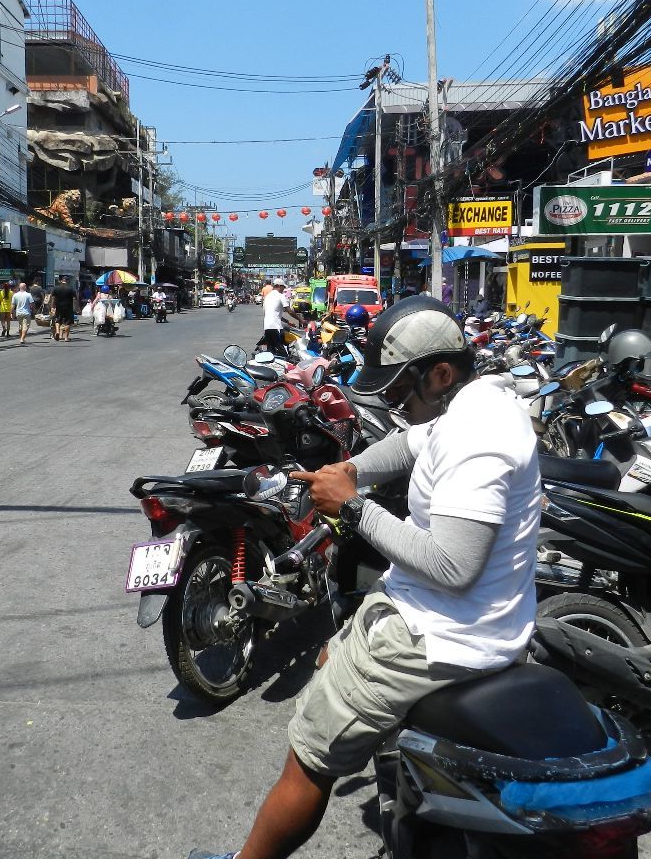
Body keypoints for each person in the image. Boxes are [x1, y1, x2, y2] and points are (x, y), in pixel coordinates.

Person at [189, 296, 542, 859]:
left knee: (306, 757)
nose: (396, 403)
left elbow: (453, 566)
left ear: (441, 373)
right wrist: (349, 469)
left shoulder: (477, 439)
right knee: (335, 648)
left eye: (401, 390)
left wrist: (352, 507)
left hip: (437, 635)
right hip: (457, 617)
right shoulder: (473, 406)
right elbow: (408, 443)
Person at [260, 277, 292, 354]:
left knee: (271, 352)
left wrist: (287, 321)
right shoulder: (280, 296)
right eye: (283, 287)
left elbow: (273, 313)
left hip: (267, 327)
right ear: (278, 286)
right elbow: (289, 311)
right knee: (283, 352)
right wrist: (301, 320)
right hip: (276, 327)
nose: (283, 289)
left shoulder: (267, 297)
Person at [50, 274, 76, 342]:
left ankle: (57, 331)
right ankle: (66, 338)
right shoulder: (71, 288)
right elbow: (75, 299)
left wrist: (52, 307)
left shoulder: (56, 288)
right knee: (68, 322)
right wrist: (77, 308)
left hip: (59, 306)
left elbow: (53, 298)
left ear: (61, 281)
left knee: (58, 320)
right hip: (68, 307)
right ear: (68, 281)